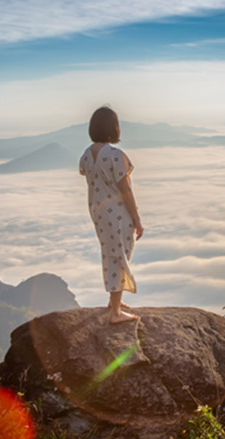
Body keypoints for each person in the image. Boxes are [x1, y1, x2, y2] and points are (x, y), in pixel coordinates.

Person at [79, 106, 144, 324]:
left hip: (98, 212)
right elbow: (125, 189)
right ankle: (115, 312)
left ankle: (113, 301)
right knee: (119, 255)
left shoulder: (87, 154)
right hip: (118, 213)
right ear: (113, 128)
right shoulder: (116, 155)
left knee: (111, 253)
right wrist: (137, 218)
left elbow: (85, 173)